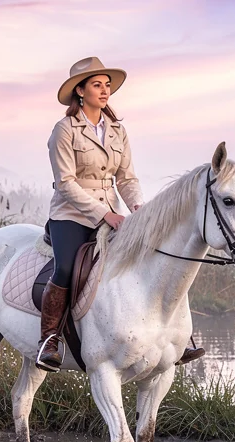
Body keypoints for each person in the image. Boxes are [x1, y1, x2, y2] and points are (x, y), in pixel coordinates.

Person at [37, 56, 206, 371]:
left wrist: (139, 208)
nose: (105, 91)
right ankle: (50, 339)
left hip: (115, 210)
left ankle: (176, 338)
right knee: (66, 269)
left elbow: (126, 178)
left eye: (107, 86)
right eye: (97, 85)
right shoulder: (63, 130)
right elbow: (66, 185)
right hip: (71, 214)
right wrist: (105, 215)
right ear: (80, 91)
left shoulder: (117, 130)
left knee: (157, 257)